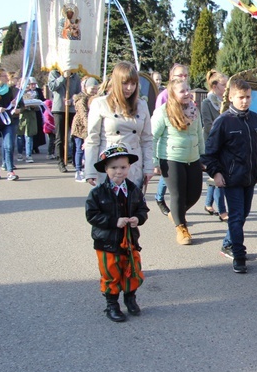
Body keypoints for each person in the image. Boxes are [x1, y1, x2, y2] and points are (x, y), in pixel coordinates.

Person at [202, 78, 257, 274]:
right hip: (232, 178)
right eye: (240, 97)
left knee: (243, 214)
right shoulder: (223, 121)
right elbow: (209, 153)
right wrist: (216, 172)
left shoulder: (256, 120)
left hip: (250, 178)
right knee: (237, 216)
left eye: (248, 97)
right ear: (231, 97)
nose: (245, 101)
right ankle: (239, 255)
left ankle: (228, 243)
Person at [85, 144, 149, 323]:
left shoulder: (134, 190)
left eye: (123, 167)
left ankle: (130, 298)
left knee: (132, 270)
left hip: (129, 240)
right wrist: (114, 222)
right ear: (106, 169)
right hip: (107, 242)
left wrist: (138, 218)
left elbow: (143, 209)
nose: (118, 171)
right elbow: (92, 215)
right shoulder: (98, 193)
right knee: (111, 273)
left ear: (129, 167)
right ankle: (112, 304)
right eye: (113, 167)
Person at [151, 78, 205, 245]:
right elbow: (152, 137)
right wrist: (154, 162)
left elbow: (199, 134)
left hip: (193, 157)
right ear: (172, 94)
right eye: (182, 91)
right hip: (171, 158)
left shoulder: (194, 111)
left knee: (195, 194)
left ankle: (174, 213)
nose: (187, 93)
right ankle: (181, 228)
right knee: (178, 194)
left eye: (187, 89)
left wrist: (202, 156)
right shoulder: (163, 112)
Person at [84, 61, 154, 190]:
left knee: (131, 207)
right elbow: (92, 140)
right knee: (107, 207)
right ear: (116, 83)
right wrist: (90, 170)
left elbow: (147, 139)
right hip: (109, 164)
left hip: (133, 165)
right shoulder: (100, 104)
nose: (129, 88)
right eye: (125, 83)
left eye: (133, 83)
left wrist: (149, 167)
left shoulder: (142, 105)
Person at [154, 64, 189, 215]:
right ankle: (160, 198)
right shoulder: (163, 96)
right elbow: (158, 125)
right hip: (168, 148)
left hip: (184, 148)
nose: (183, 78)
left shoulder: (188, 97)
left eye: (185, 75)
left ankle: (177, 212)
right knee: (168, 178)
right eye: (179, 75)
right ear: (171, 77)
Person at [202, 69, 227, 219]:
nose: (226, 88)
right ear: (215, 86)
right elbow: (207, 124)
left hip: (225, 144)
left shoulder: (226, 102)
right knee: (219, 176)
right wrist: (225, 130)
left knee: (215, 175)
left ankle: (208, 203)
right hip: (212, 145)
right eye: (224, 85)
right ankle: (222, 211)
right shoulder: (207, 103)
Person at [47, 69, 81, 173]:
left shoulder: (75, 76)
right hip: (59, 109)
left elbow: (78, 92)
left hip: (71, 109)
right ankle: (60, 161)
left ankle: (75, 161)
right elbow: (52, 87)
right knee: (60, 137)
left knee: (75, 135)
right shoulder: (54, 73)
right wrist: (63, 77)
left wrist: (72, 100)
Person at [70, 76, 100, 182]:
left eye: (96, 89)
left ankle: (87, 169)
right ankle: (78, 171)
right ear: (86, 88)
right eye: (92, 89)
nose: (94, 91)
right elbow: (84, 115)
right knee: (80, 149)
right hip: (80, 127)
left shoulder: (96, 99)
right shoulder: (81, 99)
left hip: (89, 127)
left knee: (88, 149)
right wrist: (90, 128)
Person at [16, 77, 45, 164]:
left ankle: (29, 155)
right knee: (20, 136)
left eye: (29, 84)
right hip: (21, 116)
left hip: (31, 116)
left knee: (29, 136)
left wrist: (34, 105)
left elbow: (38, 106)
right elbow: (16, 106)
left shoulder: (34, 93)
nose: (29, 86)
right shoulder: (18, 93)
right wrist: (22, 107)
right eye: (27, 84)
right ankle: (20, 153)